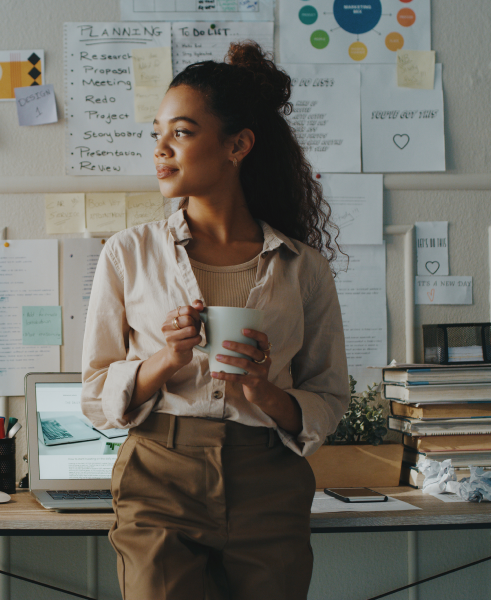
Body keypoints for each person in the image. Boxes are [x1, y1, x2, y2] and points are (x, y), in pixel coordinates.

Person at [81, 41, 350, 600]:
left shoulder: (304, 267)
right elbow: (95, 393)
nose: (160, 149)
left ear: (238, 145)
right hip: (159, 476)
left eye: (180, 132)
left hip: (270, 483)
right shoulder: (127, 253)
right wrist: (168, 358)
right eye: (156, 133)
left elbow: (328, 397)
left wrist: (262, 389)